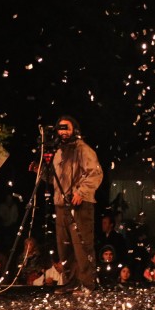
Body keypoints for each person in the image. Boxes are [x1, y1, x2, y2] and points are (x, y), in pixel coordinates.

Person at [46, 116, 103, 294]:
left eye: (67, 128)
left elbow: (95, 173)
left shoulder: (83, 150)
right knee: (65, 247)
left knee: (82, 245)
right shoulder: (58, 152)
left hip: (79, 205)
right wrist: (40, 172)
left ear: (75, 130)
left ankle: (87, 284)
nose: (63, 132)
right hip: (61, 205)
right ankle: (71, 281)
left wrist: (81, 192)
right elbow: (55, 179)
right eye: (60, 128)